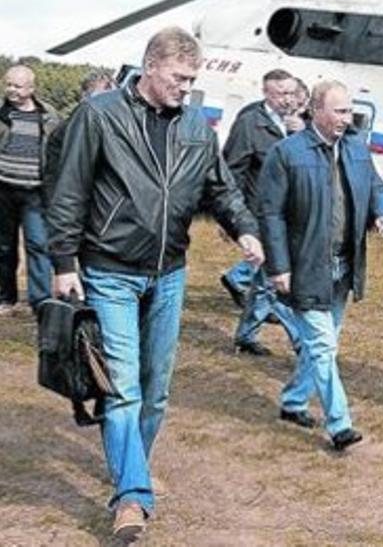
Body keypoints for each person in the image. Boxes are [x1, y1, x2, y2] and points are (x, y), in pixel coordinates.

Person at [46, 27, 263, 540]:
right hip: (109, 269)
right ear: (150, 66)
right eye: (179, 77)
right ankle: (133, 497)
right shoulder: (99, 116)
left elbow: (221, 188)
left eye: (192, 79)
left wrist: (245, 228)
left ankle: (131, 467)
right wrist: (63, 261)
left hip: (169, 273)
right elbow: (69, 190)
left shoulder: (196, 126)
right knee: (122, 388)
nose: (186, 88)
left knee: (156, 390)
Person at [258, 79, 383, 450]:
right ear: (316, 110)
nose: (346, 118)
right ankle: (340, 424)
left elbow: (376, 187)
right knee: (321, 345)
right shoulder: (287, 153)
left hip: (344, 266)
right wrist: (279, 266)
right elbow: (270, 214)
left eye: (349, 111)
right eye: (339, 111)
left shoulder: (356, 149)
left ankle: (293, 401)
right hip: (305, 267)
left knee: (326, 343)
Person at [220, 69, 305, 356]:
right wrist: (232, 219)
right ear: (267, 93)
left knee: (264, 280)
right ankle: (305, 343)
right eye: (282, 94)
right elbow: (232, 172)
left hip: (291, 214)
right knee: (278, 282)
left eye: (292, 93)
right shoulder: (250, 124)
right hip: (263, 216)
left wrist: (301, 136)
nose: (288, 100)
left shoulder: (299, 124)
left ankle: (245, 334)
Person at [0, 64, 61, 315]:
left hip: (35, 192)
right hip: (3, 189)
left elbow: (59, 151)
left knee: (38, 244)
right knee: (3, 246)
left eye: (17, 85)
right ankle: (6, 298)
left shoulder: (48, 116)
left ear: (31, 89)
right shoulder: (2, 114)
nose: (11, 90)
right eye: (8, 84)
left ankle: (41, 301)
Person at [42, 69, 116, 207]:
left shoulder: (119, 131)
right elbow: (53, 177)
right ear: (84, 97)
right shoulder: (65, 130)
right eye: (102, 96)